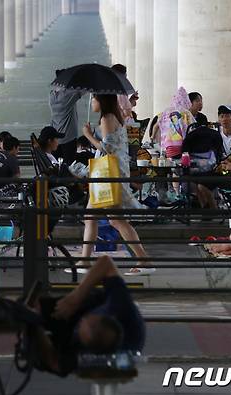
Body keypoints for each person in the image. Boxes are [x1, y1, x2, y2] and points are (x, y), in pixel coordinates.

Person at [33, 256, 145, 376]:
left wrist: (35, 326)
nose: (83, 321)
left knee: (55, 361)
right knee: (34, 304)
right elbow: (106, 262)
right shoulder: (121, 305)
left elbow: (56, 364)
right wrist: (76, 297)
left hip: (75, 345)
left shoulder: (93, 357)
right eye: (86, 320)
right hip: (82, 306)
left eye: (82, 326)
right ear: (101, 317)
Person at [80, 95, 153, 276]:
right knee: (93, 217)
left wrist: (88, 135)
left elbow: (107, 148)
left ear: (102, 101)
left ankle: (143, 260)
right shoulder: (114, 117)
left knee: (116, 220)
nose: (92, 103)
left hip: (109, 176)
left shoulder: (107, 118)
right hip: (112, 173)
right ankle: (84, 261)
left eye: (94, 99)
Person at [49, 85, 84, 165]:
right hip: (68, 137)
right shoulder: (67, 96)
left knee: (57, 165)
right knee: (70, 165)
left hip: (56, 137)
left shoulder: (52, 95)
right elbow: (83, 90)